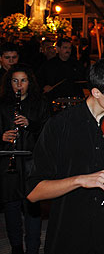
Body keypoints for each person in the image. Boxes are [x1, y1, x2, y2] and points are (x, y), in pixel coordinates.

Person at [26, 58, 104, 254]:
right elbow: (34, 192)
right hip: (71, 235)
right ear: (96, 92)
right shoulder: (59, 126)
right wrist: (80, 180)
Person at [0, 64, 49, 254]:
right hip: (8, 164)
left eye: (23, 80)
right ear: (9, 82)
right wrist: (2, 137)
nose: (19, 85)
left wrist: (30, 123)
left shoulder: (40, 104)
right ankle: (16, 248)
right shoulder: (3, 105)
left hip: (31, 164)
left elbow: (47, 132)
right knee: (11, 209)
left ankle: (33, 249)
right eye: (14, 80)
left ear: (30, 82)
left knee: (32, 209)